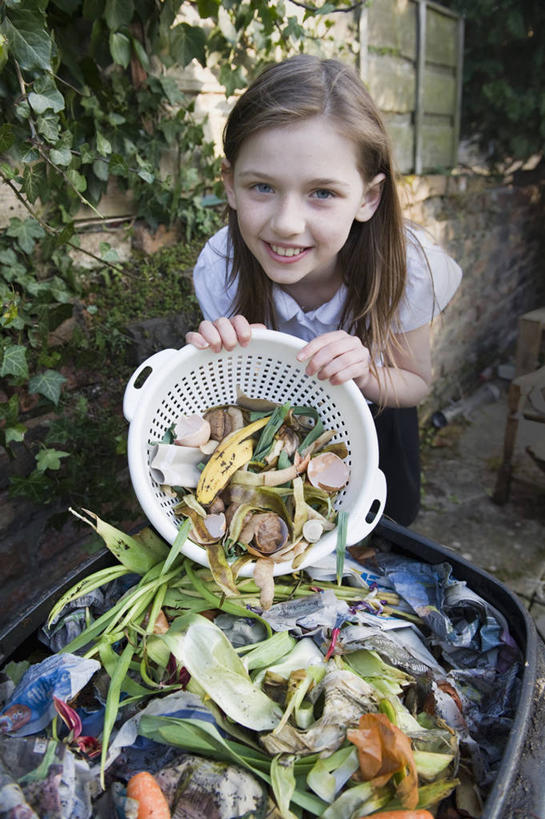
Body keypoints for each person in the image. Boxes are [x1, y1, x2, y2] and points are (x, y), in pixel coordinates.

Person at [185, 54, 462, 526]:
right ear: (230, 185)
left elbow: (415, 383)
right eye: (262, 187)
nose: (287, 224)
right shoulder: (221, 269)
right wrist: (219, 357)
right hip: (273, 436)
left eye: (323, 193)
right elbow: (235, 400)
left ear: (368, 198)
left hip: (376, 419)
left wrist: (366, 373)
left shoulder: (409, 266)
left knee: (387, 529)